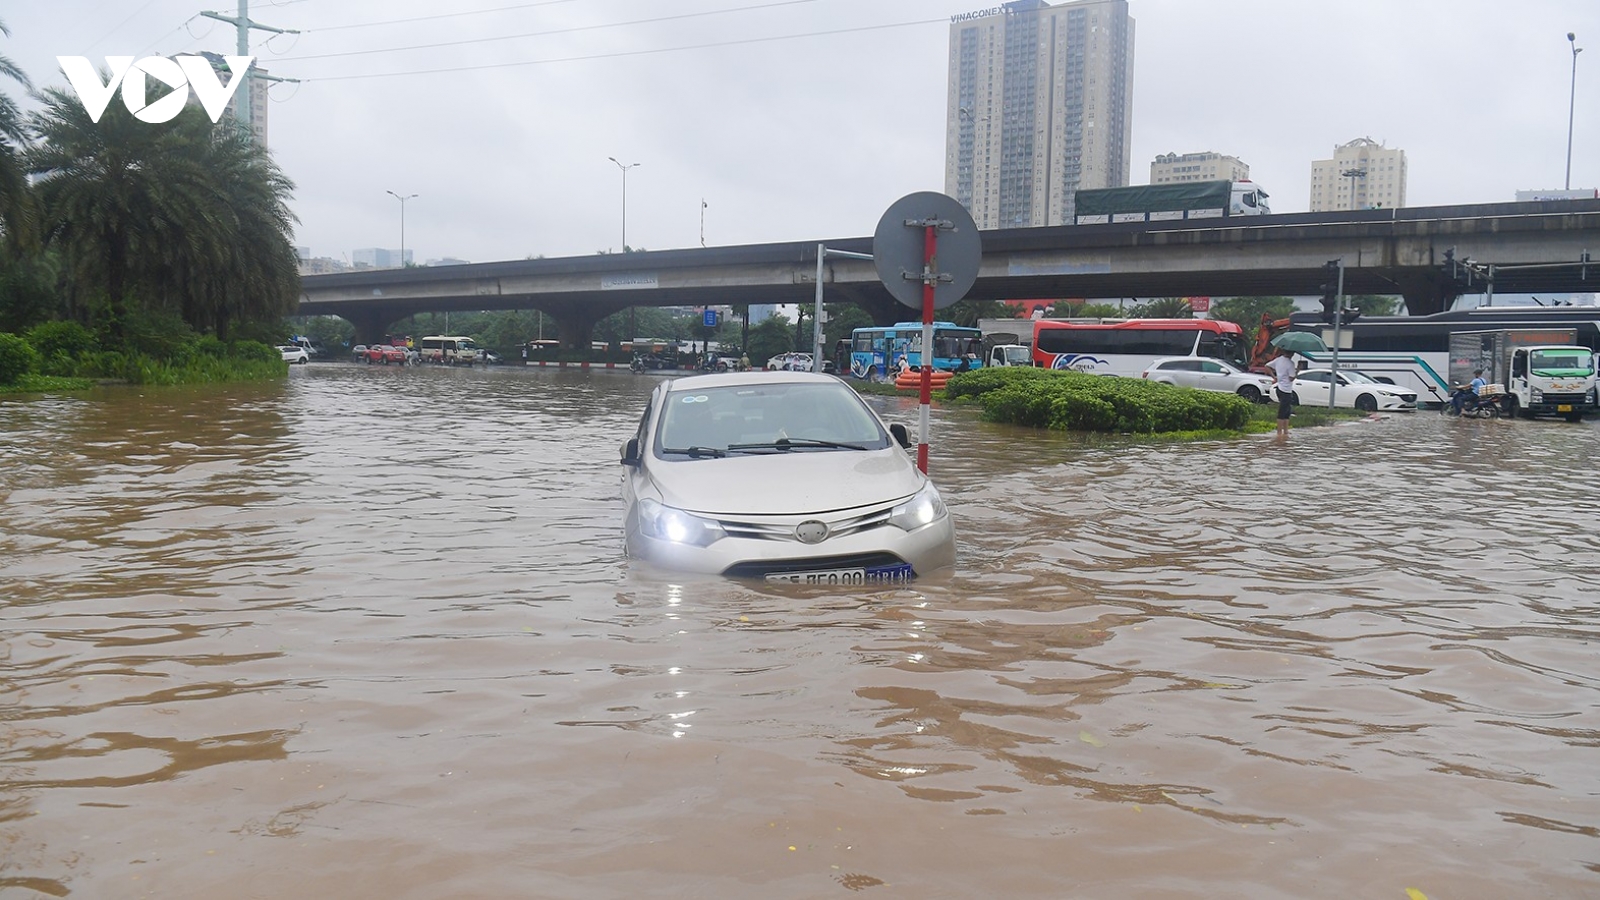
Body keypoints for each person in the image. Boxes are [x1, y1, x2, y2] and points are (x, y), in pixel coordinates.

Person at [1267, 348, 1297, 438]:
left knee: (1287, 411)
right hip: (1286, 390)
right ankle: (1280, 432)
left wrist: (1274, 377)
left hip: (1279, 389)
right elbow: (1291, 378)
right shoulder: (1291, 364)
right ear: (1292, 353)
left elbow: (1267, 366)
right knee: (1283, 411)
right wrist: (1298, 370)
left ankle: (1286, 431)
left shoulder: (1278, 360)